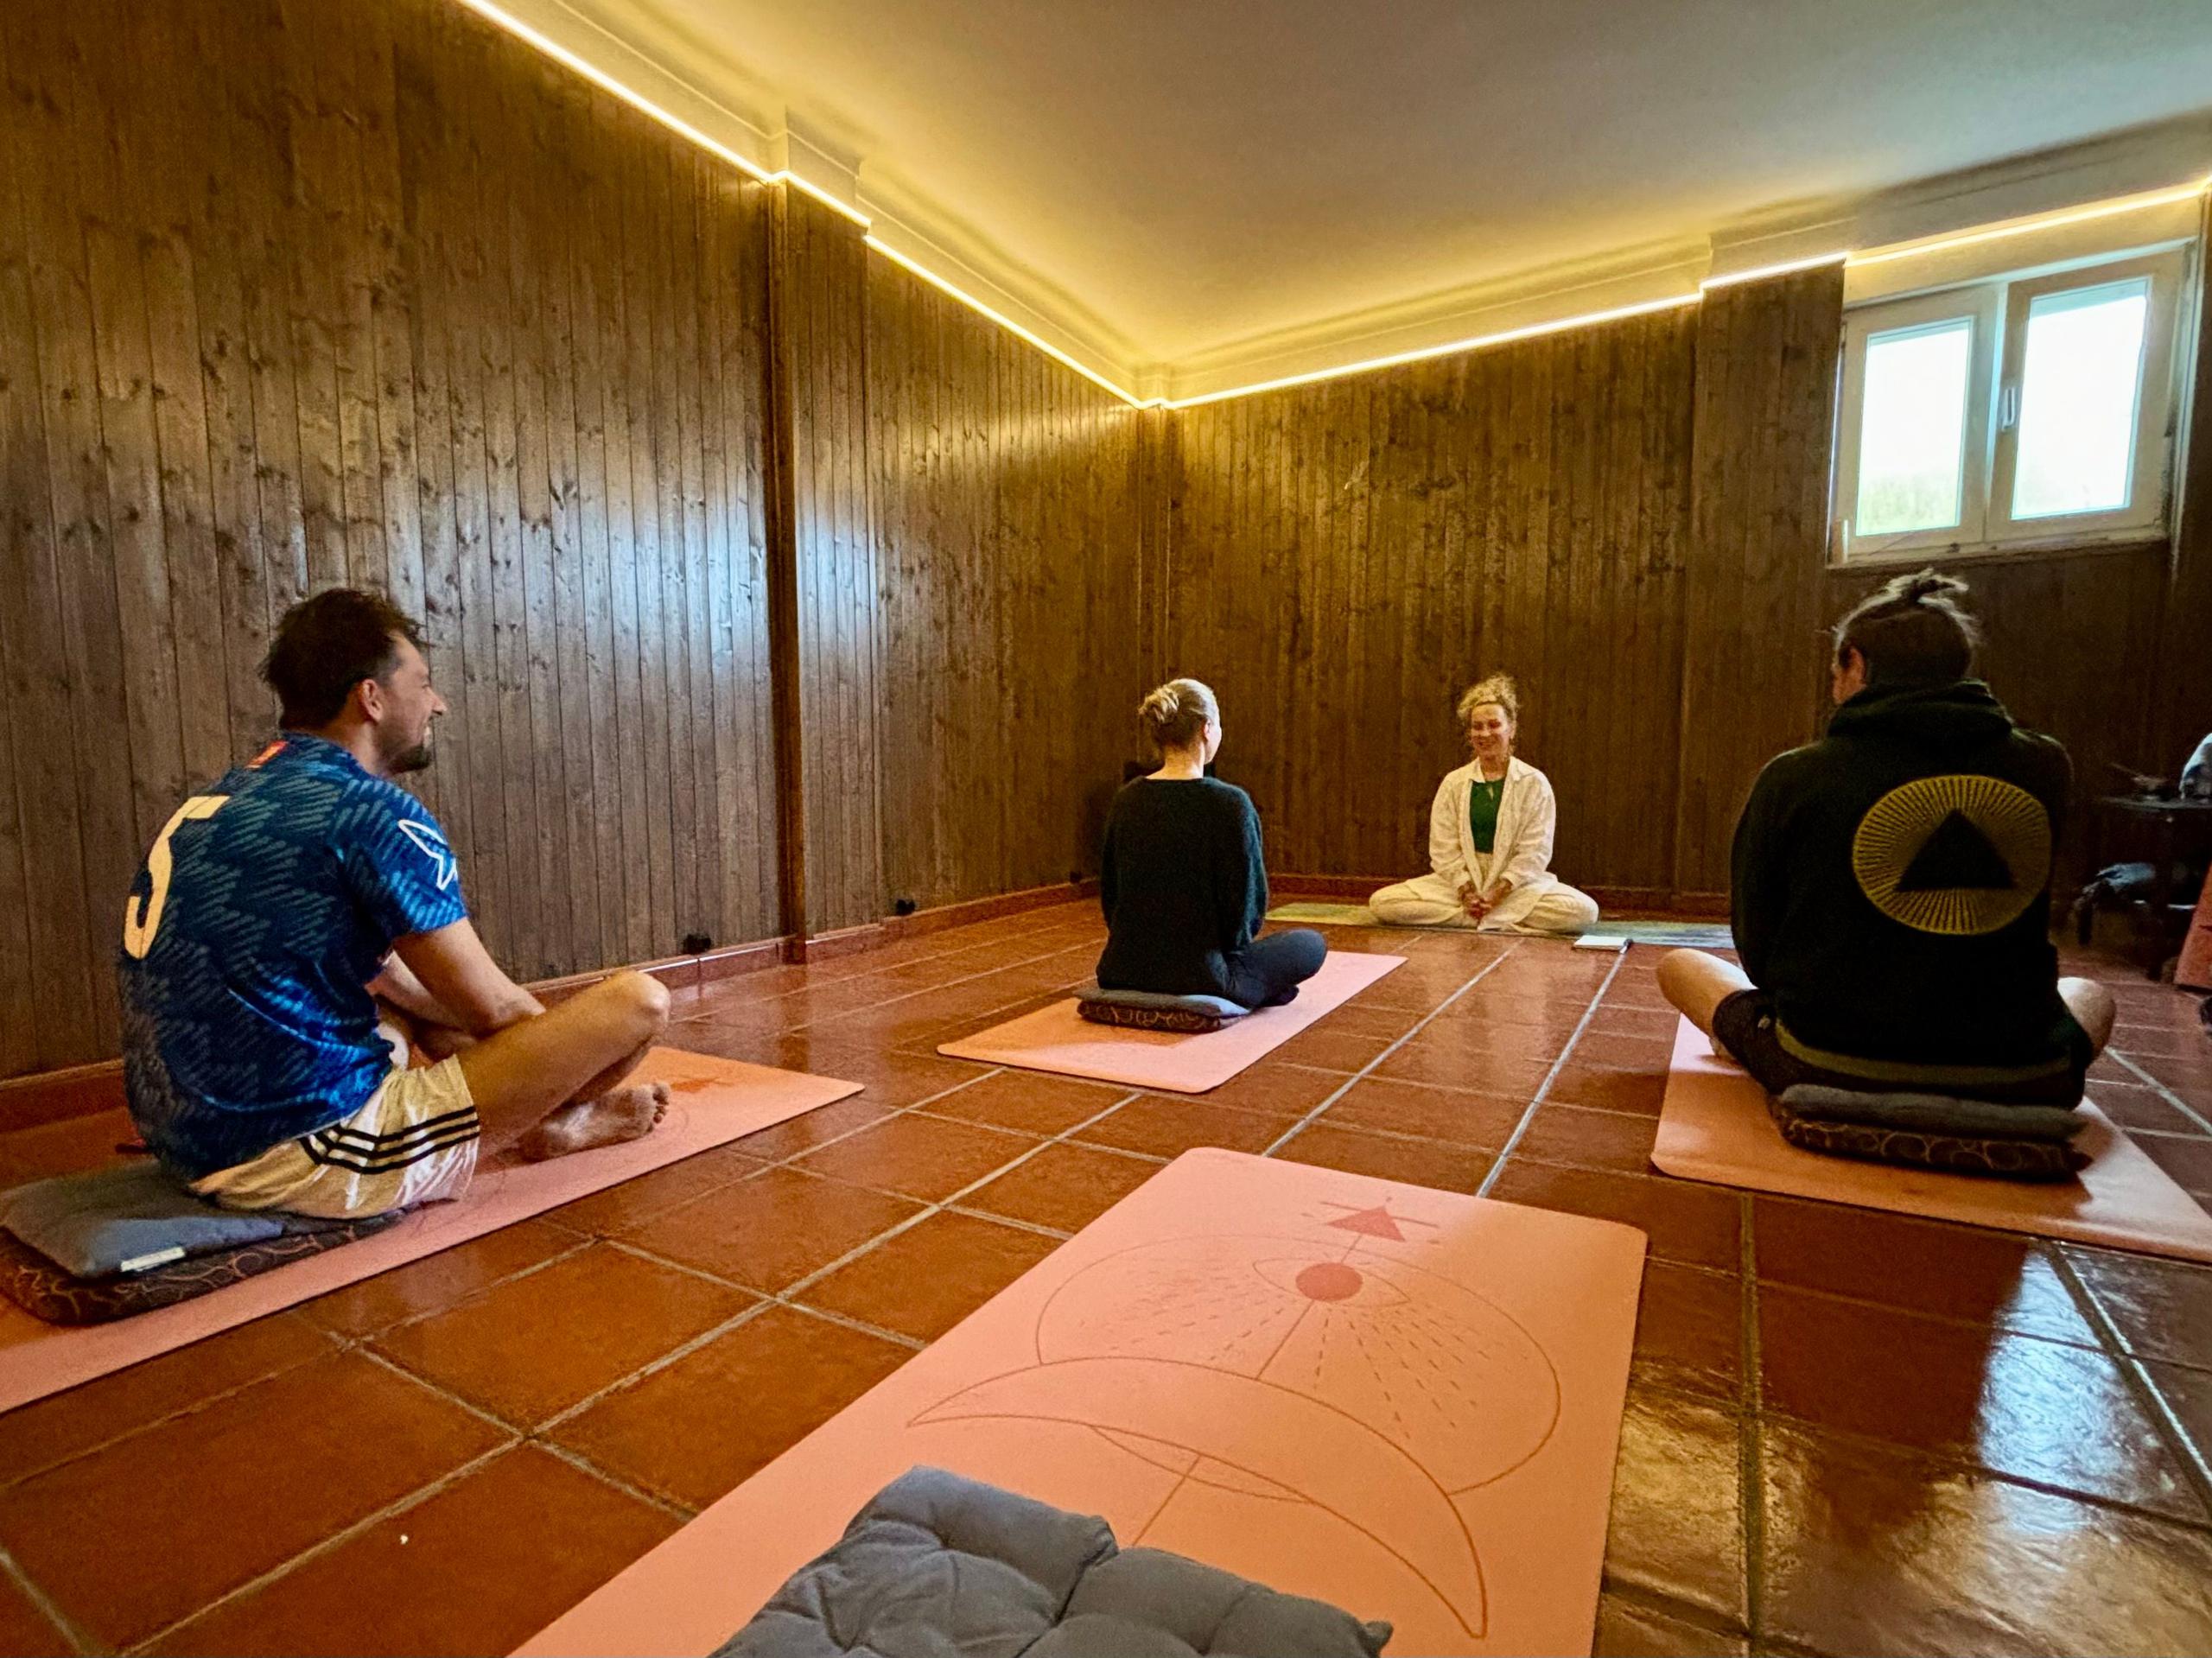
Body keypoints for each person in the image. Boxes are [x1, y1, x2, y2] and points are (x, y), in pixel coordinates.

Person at [118, 588, 673, 1219]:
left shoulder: (223, 798)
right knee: (638, 1003)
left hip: (182, 1138)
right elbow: (495, 1010)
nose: (437, 702)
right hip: (293, 1154)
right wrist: (566, 1059)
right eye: (424, 682)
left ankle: (544, 1123)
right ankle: (548, 1121)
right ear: (371, 697)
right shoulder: (369, 810)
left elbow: (392, 981)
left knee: (397, 996)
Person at [1657, 569, 2115, 1105]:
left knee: (1681, 966)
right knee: (2091, 996)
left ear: (1855, 661)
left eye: (1835, 668)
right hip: (2024, 1073)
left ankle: (1793, 1069)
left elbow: (1758, 949)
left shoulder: (1796, 775)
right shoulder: (2047, 764)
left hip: (1827, 1062)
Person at [1096, 679, 1325, 1009]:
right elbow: (1246, 910)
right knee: (1309, 944)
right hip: (1204, 975)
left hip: (1120, 969)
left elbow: (1111, 896)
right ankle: (1251, 989)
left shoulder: (1126, 799)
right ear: (1207, 729)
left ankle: (1258, 988)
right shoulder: (1230, 803)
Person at [1368, 674, 1599, 933]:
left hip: (1514, 888)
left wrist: (1498, 892)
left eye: (1493, 725)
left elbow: (1536, 852)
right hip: (1460, 886)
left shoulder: (1534, 782)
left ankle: (1483, 915)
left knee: (1584, 912)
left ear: (1511, 728)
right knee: (1383, 903)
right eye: (1477, 727)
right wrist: (1467, 891)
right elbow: (1443, 849)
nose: (1485, 734)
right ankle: (1482, 916)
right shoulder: (1454, 782)